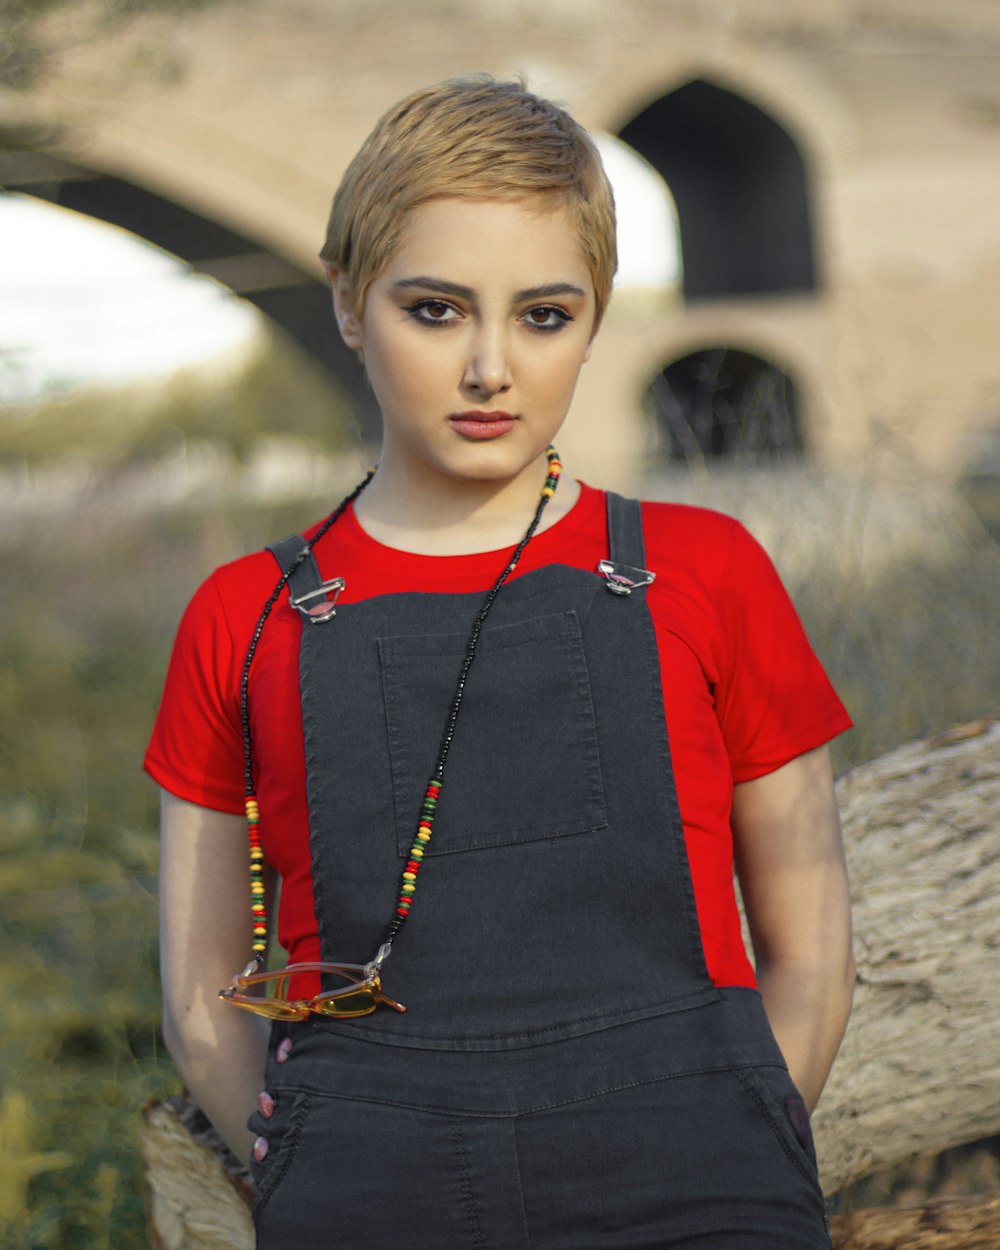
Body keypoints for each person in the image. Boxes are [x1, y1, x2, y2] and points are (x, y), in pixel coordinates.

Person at [148, 75, 855, 1249]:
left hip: (697, 1176)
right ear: (345, 298)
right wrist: (314, 1160)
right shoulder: (248, 611)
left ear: (595, 314)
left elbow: (812, 939)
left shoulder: (706, 568)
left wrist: (739, 1123)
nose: (491, 368)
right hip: (371, 1189)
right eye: (435, 310)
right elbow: (197, 986)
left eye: (543, 314)